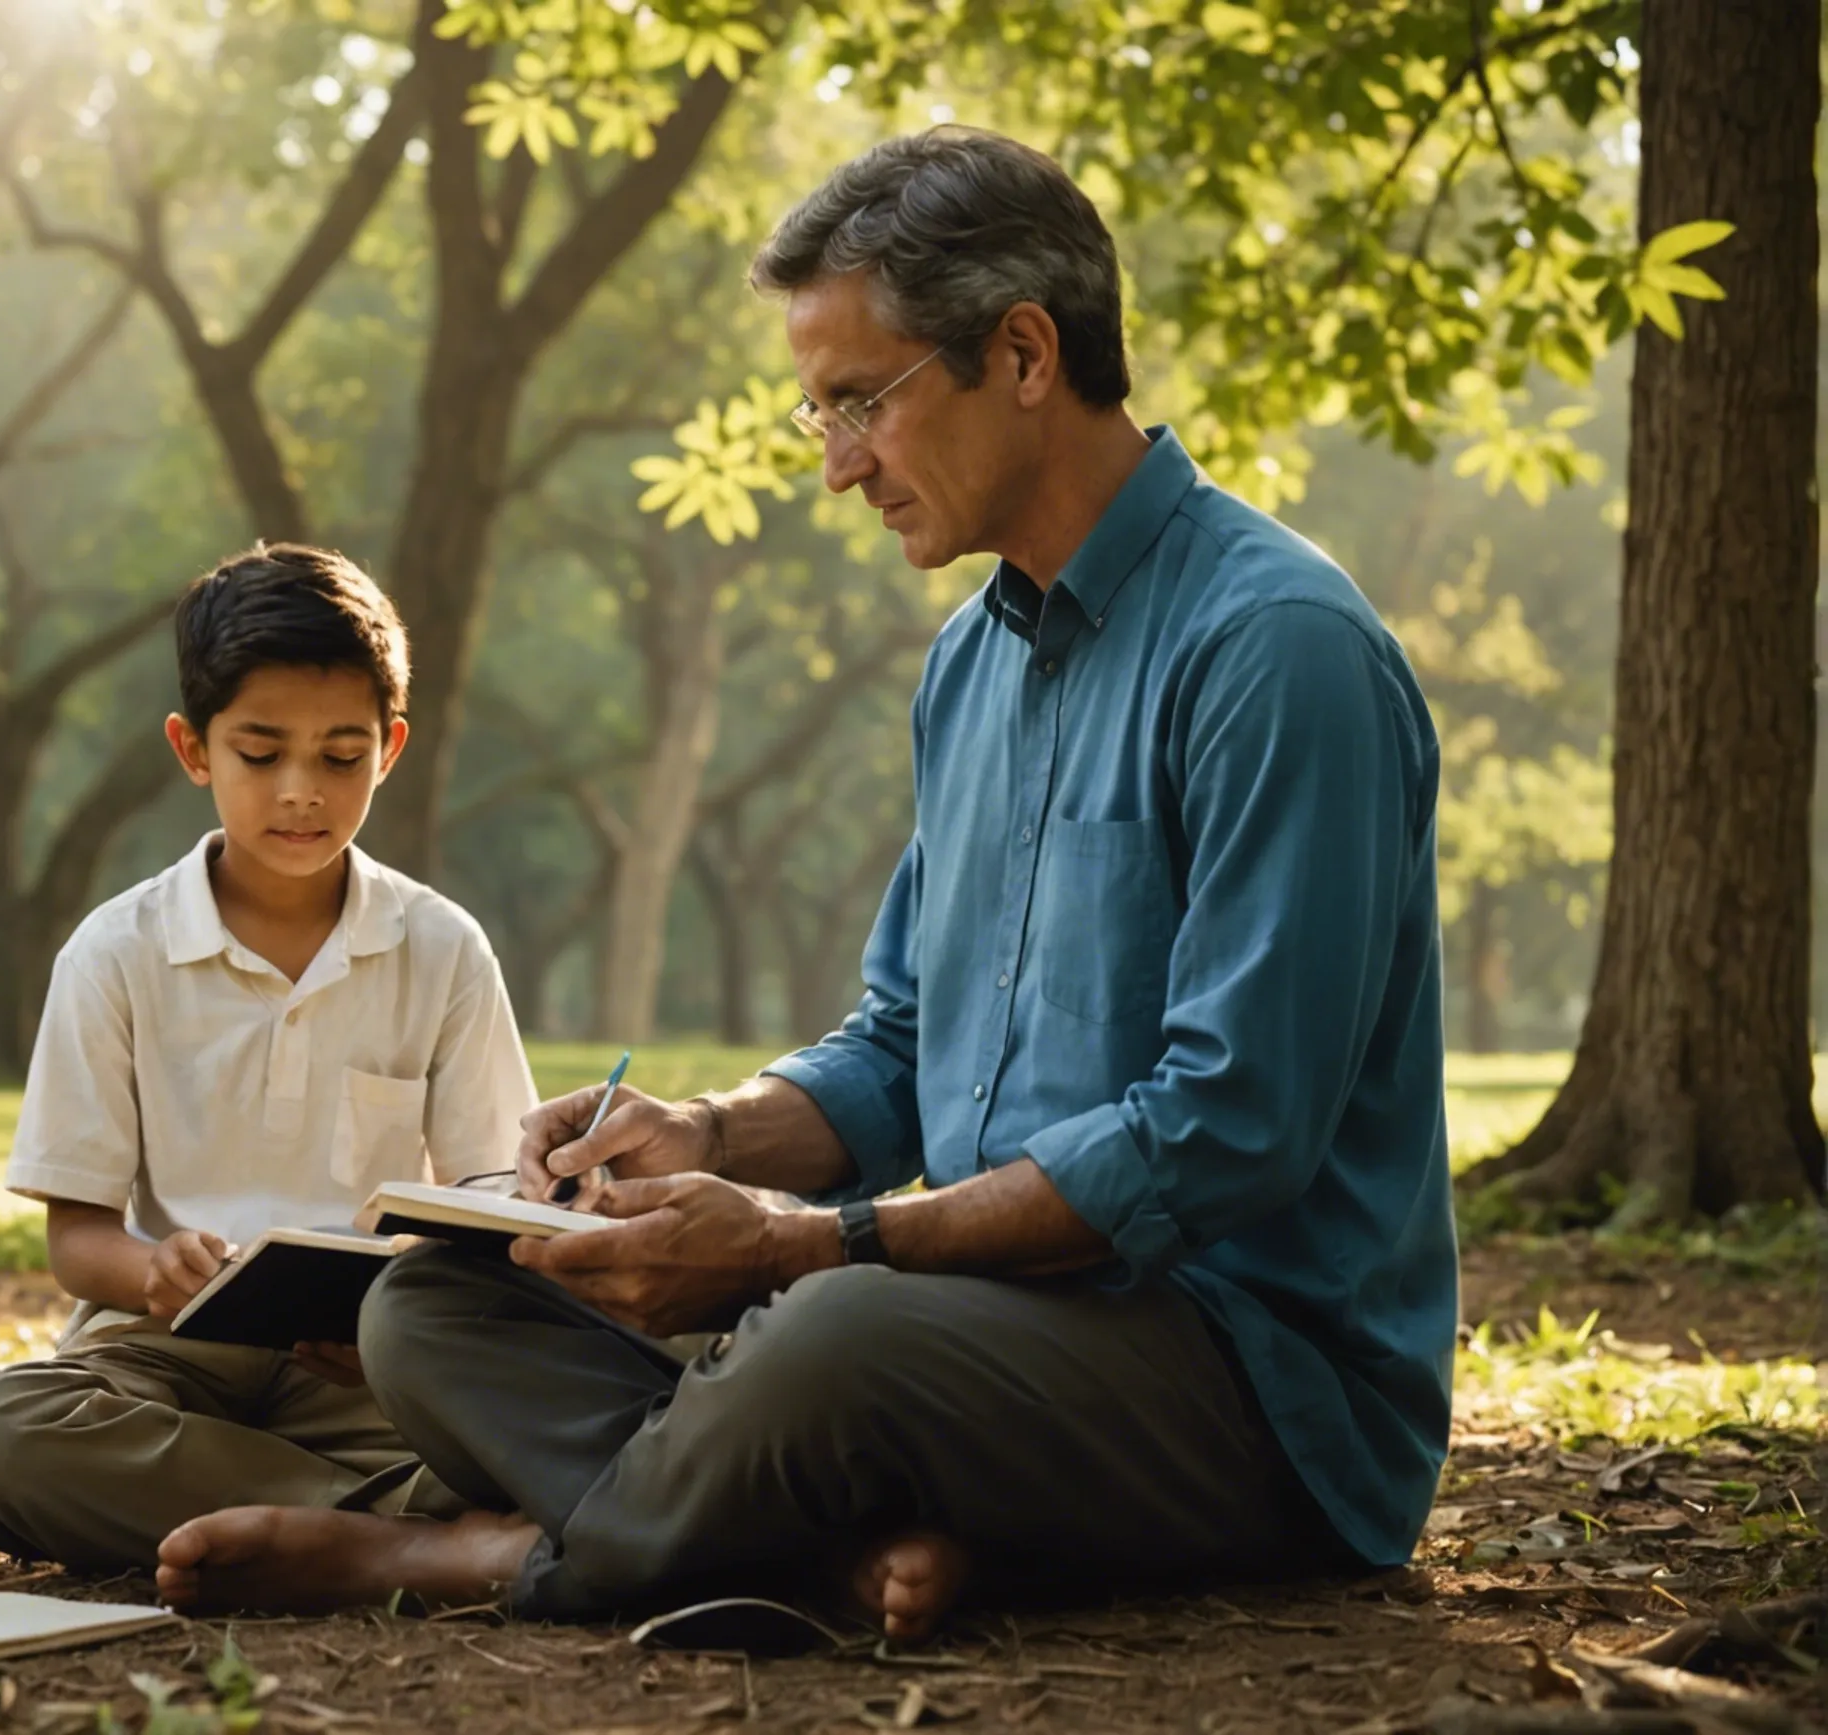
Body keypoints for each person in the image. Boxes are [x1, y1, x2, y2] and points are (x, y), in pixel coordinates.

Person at [152, 126, 1457, 1639]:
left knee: (835, 1334)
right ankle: (856, 1542)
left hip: (1248, 1379)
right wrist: (703, 1131)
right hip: (964, 1331)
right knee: (437, 1301)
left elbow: (1229, 1131)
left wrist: (809, 1241)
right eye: (816, 412)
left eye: (861, 403)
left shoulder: (1278, 650)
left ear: (1024, 354)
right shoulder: (973, 664)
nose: (837, 464)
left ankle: (479, 1562)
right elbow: (904, 1040)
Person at [0, 544, 538, 1571]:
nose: (301, 792)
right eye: (261, 754)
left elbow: (493, 1198)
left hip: (370, 1367)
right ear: (194, 749)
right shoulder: (116, 951)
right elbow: (78, 1237)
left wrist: (401, 1319)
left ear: (389, 749)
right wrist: (153, 1269)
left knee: (553, 1427)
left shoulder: (441, 946)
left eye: (340, 757)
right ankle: (389, 1534)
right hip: (167, 1352)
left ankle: (333, 1521)